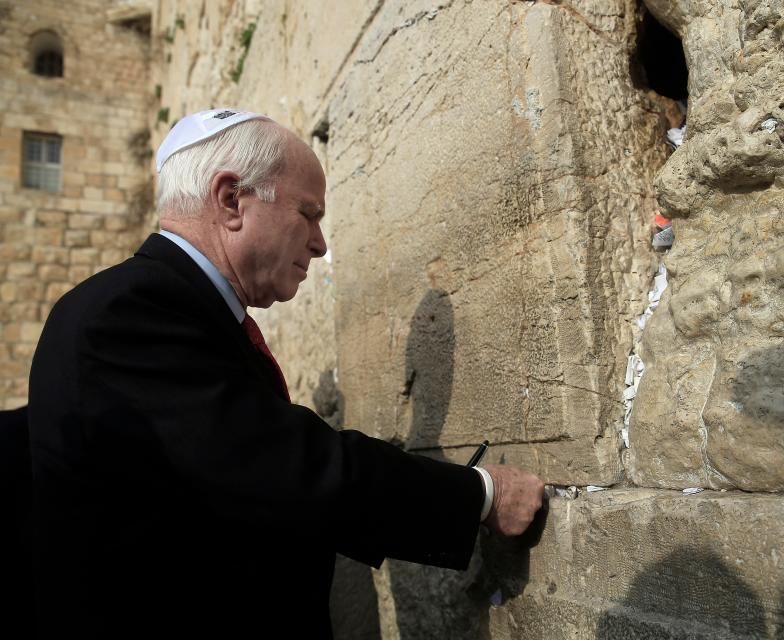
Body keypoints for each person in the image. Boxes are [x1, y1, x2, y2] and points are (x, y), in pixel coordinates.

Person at [28, 109, 545, 639]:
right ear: (232, 201)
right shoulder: (129, 311)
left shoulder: (168, 310)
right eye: (308, 213)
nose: (320, 243)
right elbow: (286, 467)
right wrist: (481, 496)